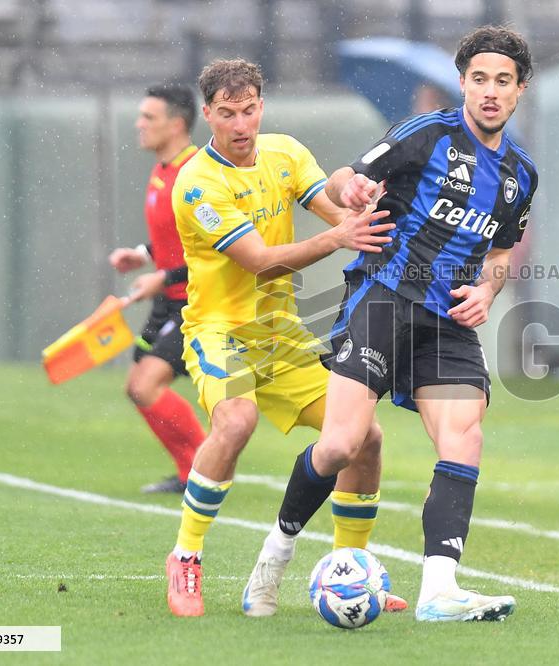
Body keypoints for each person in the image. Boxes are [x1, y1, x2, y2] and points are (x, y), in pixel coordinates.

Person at [248, 25, 538, 622]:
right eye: (479, 79)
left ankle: (439, 591)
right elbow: (343, 179)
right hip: (383, 296)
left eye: (502, 81)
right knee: (340, 445)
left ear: (519, 91)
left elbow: (502, 255)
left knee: (466, 436)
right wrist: (350, 186)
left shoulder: (521, 176)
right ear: (462, 84)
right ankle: (274, 557)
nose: (489, 91)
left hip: (449, 317)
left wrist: (487, 287)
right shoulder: (426, 134)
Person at [164, 58, 407, 617]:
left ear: (261, 107)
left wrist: (360, 202)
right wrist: (340, 237)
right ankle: (186, 557)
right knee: (236, 420)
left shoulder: (285, 153)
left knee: (364, 436)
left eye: (249, 110)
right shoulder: (197, 183)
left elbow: (334, 209)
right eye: (227, 114)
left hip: (280, 336)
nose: (241, 124)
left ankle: (351, 571)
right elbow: (261, 264)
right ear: (208, 116)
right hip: (219, 331)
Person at [109, 83, 204, 494]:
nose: (139, 124)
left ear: (177, 124)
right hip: (169, 299)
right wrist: (142, 255)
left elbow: (214, 249)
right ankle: (191, 473)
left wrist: (162, 279)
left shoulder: (196, 173)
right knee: (136, 386)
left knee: (145, 385)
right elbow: (176, 238)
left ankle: (204, 467)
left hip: (196, 302)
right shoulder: (164, 168)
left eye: (149, 117)